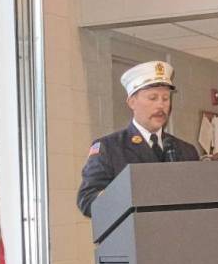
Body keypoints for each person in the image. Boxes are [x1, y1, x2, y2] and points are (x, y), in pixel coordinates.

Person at [77, 61, 199, 217]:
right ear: (132, 102)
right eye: (153, 98)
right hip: (132, 237)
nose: (160, 106)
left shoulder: (186, 150)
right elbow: (87, 200)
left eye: (166, 98)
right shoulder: (109, 147)